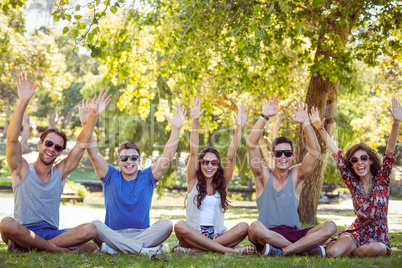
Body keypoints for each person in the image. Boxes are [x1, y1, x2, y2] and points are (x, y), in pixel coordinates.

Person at [0, 73, 111, 253]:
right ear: (40, 144)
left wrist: (93, 115)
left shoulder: (60, 173)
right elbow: (12, 140)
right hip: (24, 231)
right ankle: (57, 250)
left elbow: (81, 146)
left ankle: (28, 248)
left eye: (58, 147)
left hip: (54, 235)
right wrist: (23, 102)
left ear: (60, 152)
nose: (52, 149)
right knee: (6, 224)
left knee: (91, 229)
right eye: (49, 143)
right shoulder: (21, 169)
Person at [79, 98, 187, 255]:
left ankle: (117, 250)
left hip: (143, 234)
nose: (128, 161)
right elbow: (93, 153)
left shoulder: (148, 177)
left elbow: (167, 156)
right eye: (124, 158)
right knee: (95, 225)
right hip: (113, 234)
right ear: (118, 161)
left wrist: (176, 129)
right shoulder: (110, 176)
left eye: (133, 158)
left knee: (166, 224)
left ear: (139, 160)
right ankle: (143, 251)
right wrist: (86, 124)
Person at [311, 98, 401, 257]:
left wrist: (396, 122)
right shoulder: (352, 182)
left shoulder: (382, 179)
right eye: (354, 160)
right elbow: (336, 154)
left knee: (377, 249)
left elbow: (389, 152)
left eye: (364, 158)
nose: (360, 162)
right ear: (351, 165)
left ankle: (350, 250)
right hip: (358, 230)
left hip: (378, 234)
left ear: (371, 160)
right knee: (333, 253)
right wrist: (320, 129)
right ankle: (339, 246)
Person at [246, 97, 337, 256]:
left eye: (287, 153)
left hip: (294, 234)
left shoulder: (296, 175)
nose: (283, 156)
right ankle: (302, 249)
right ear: (273, 156)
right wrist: (264, 116)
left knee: (330, 227)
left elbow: (315, 151)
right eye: (279, 153)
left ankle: (284, 251)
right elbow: (251, 145)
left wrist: (306, 123)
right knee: (254, 227)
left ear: (293, 155)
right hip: (267, 233)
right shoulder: (263, 174)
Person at [173, 97, 255, 254]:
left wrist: (239, 128)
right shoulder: (193, 180)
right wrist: (195, 120)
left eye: (214, 163)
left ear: (218, 165)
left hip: (218, 234)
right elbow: (193, 152)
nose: (209, 166)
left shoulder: (222, 183)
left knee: (244, 226)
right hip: (194, 233)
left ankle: (197, 250)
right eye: (205, 162)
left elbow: (230, 156)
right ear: (200, 164)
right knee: (179, 225)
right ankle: (231, 251)